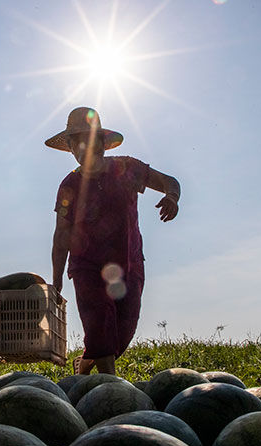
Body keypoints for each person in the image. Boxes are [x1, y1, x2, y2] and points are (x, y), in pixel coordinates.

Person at [48, 107, 180, 375]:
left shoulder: (127, 168)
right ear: (71, 148)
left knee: (122, 332)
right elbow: (61, 234)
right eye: (77, 143)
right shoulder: (69, 185)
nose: (84, 148)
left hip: (128, 262)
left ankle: (84, 363)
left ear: (102, 143)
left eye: (90, 140)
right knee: (99, 327)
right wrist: (57, 278)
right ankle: (111, 391)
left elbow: (169, 181)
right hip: (87, 266)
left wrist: (172, 197)